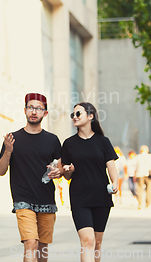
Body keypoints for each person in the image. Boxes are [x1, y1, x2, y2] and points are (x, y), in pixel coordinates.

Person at [0, 93, 62, 262]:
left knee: (42, 248)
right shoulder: (13, 138)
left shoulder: (53, 140)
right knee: (31, 243)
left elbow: (61, 168)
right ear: (25, 110)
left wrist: (58, 172)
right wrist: (8, 151)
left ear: (45, 113)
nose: (34, 112)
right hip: (23, 200)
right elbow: (1, 170)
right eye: (31, 108)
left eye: (39, 109)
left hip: (46, 200)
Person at [61, 102, 118, 262]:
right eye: (73, 114)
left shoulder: (103, 141)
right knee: (88, 241)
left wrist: (115, 183)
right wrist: (69, 171)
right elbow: (67, 176)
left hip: (101, 197)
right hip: (80, 198)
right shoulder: (68, 144)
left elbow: (112, 167)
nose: (74, 117)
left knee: (97, 243)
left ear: (90, 116)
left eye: (78, 113)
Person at [134, 145, 151, 209]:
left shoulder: (138, 157)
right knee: (148, 189)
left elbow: (135, 167)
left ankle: (140, 203)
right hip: (148, 175)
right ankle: (148, 203)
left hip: (139, 175)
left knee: (139, 189)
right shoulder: (150, 156)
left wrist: (134, 176)